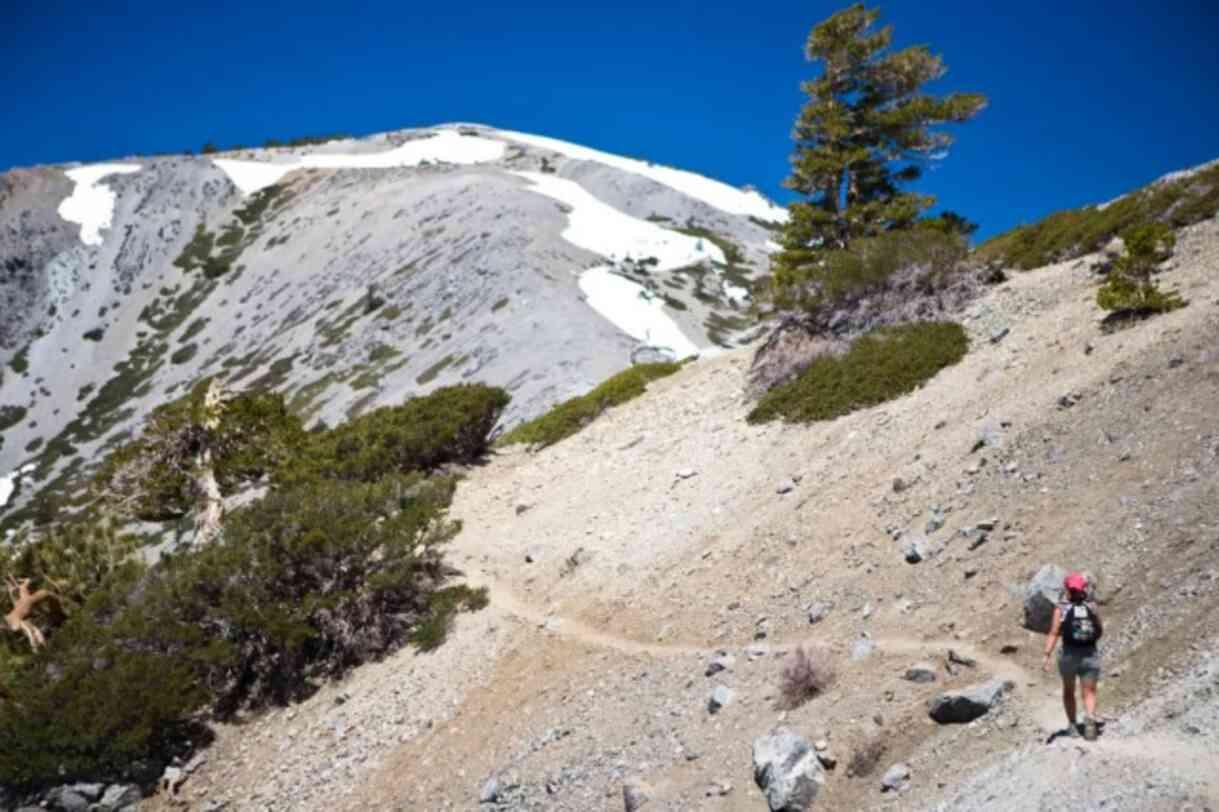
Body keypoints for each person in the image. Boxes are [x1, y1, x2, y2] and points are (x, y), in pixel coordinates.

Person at [1042, 572, 1103, 740]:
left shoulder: (1061, 608)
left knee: (1069, 690)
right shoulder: (1092, 606)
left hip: (1068, 655)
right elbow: (1099, 629)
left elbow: (1054, 633)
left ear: (1067, 588)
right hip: (1090, 653)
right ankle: (1090, 719)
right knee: (1089, 690)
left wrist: (1046, 655)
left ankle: (1073, 726)